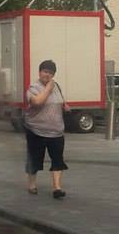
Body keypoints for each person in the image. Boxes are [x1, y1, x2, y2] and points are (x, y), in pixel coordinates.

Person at [24, 60, 70, 199]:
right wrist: (48, 89)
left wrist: (65, 106)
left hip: (56, 131)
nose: (47, 75)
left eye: (50, 73)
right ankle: (32, 184)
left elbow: (61, 100)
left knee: (58, 160)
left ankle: (57, 188)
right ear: (39, 72)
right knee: (34, 158)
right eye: (45, 71)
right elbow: (37, 102)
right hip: (36, 130)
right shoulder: (33, 88)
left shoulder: (57, 86)